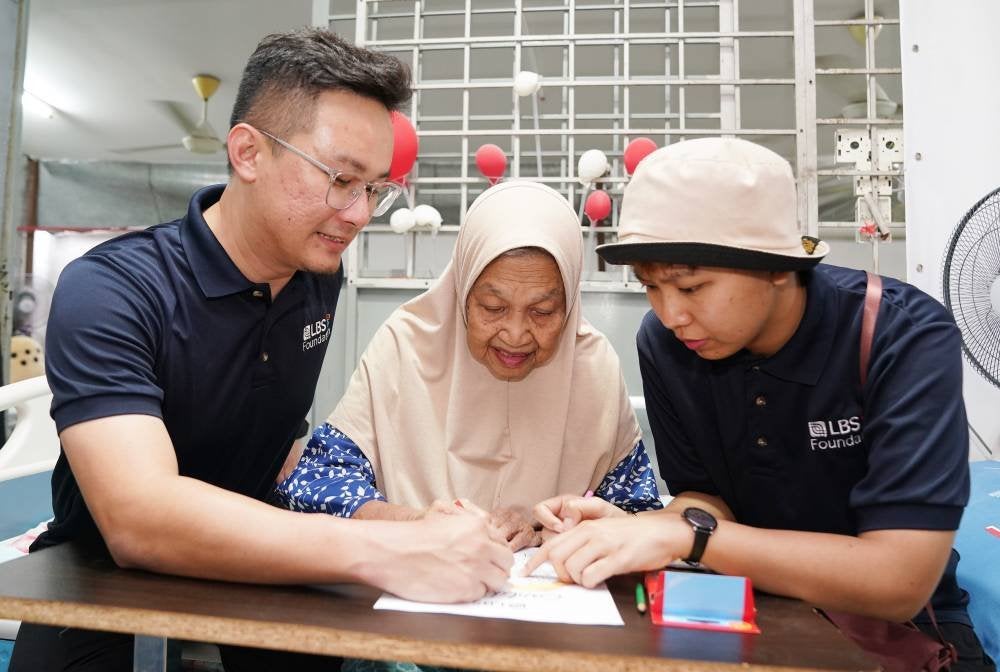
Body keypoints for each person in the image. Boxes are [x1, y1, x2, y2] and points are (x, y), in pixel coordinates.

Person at [10, 28, 512, 672]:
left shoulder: (319, 279)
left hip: (264, 556)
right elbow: (139, 518)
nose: (360, 213)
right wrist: (383, 549)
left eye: (377, 189)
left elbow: (270, 443)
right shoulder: (113, 288)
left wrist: (399, 521)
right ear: (248, 152)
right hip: (104, 568)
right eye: (341, 180)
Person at [526, 138, 994, 670]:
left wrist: (688, 535)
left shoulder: (899, 336)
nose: (670, 313)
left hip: (896, 633)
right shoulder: (664, 343)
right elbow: (704, 497)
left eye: (693, 286)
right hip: (747, 607)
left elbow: (899, 582)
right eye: (651, 287)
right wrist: (641, 530)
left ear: (777, 265)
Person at [277, 181, 662, 550]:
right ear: (461, 292)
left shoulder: (593, 366)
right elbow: (316, 481)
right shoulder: (407, 345)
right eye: (493, 308)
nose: (515, 334)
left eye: (543, 311)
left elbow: (639, 514)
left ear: (570, 304)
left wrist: (546, 530)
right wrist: (416, 525)